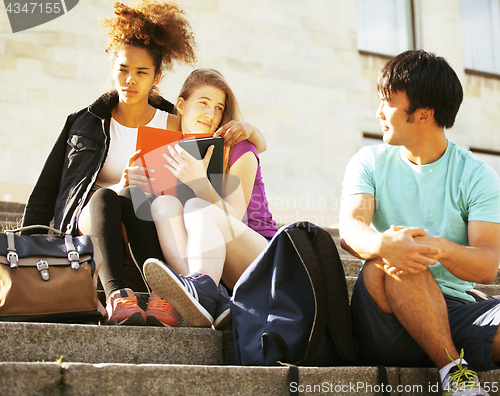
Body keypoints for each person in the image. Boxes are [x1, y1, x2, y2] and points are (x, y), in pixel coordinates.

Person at [21, 0, 267, 328]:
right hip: (94, 218)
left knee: (155, 201)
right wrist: (26, 247)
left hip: (145, 217)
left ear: (157, 77)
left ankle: (171, 292)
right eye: (123, 69)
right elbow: (46, 191)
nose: (130, 80)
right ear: (111, 67)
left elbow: (208, 131)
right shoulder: (83, 123)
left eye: (141, 72)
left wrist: (252, 133)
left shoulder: (173, 122)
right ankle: (117, 295)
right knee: (110, 195)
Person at [339, 49, 500, 396]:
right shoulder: (368, 161)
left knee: (410, 251)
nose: (379, 112)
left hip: (454, 312)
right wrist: (386, 246)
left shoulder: (477, 176)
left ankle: (447, 355)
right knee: (398, 254)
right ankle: (454, 374)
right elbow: (351, 228)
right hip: (385, 318)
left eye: (389, 103)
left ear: (423, 114)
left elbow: (487, 265)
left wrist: (439, 248)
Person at [142, 68, 278, 329]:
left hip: (262, 257)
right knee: (163, 204)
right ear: (181, 105)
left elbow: (234, 216)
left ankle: (203, 290)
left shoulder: (240, 147)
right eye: (203, 103)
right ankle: (209, 295)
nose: (211, 114)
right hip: (222, 267)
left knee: (196, 206)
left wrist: (199, 182)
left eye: (218, 108)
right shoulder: (171, 151)